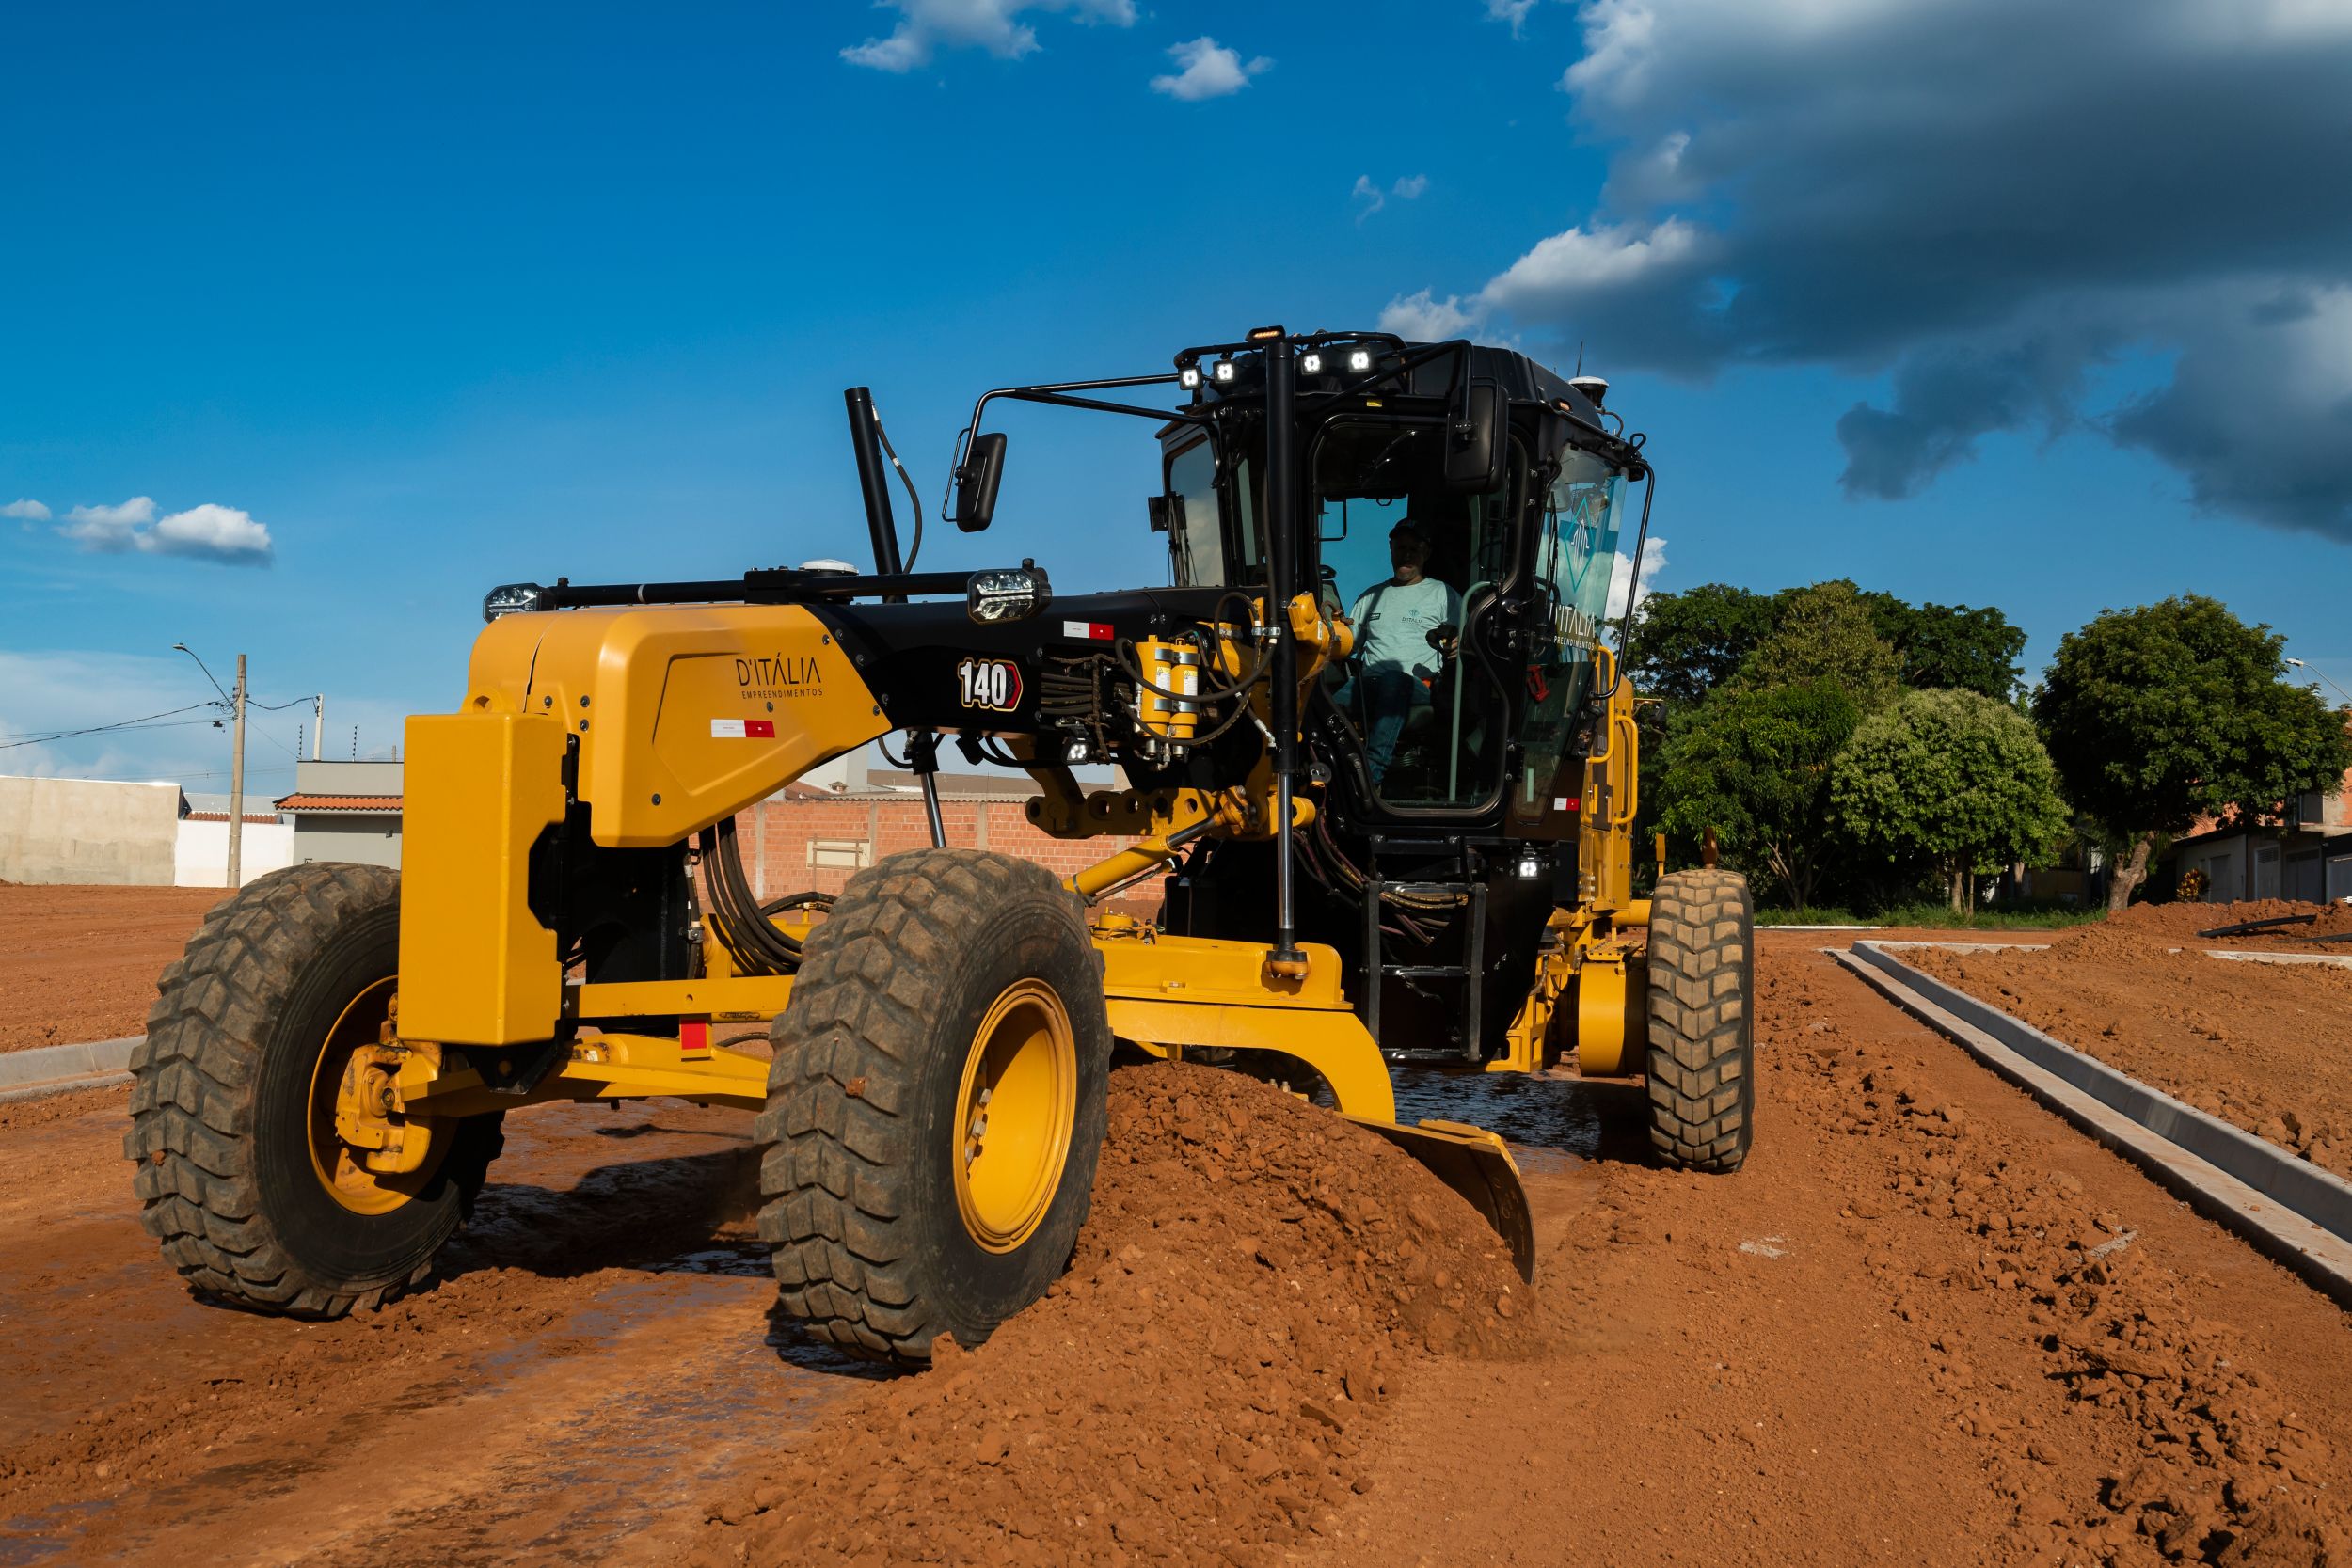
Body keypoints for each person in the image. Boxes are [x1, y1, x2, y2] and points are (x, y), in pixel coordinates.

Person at [1346, 520, 1461, 784]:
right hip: (1369, 684)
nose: (1406, 555)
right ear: (1390, 550)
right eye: (1400, 548)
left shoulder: (1443, 594)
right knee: (1323, 695)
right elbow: (1347, 644)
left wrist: (1456, 647)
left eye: (1414, 549)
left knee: (1394, 679)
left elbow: (1462, 641)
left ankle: (1370, 775)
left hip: (1416, 685)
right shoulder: (1370, 597)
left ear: (1427, 553)